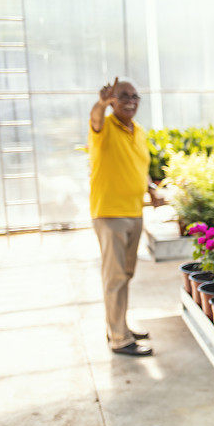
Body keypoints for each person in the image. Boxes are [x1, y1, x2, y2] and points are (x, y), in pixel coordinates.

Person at [89, 77, 161, 357]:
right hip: (110, 213)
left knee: (125, 274)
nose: (131, 100)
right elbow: (95, 118)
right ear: (112, 100)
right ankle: (119, 338)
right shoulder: (103, 126)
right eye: (123, 96)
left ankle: (119, 327)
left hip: (134, 211)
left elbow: (137, 165)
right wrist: (101, 104)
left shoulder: (138, 130)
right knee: (115, 276)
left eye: (135, 96)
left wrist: (151, 188)